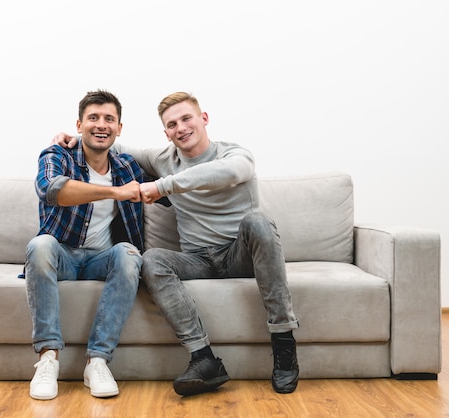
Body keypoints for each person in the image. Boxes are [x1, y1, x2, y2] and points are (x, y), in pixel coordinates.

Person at [52, 91, 300, 397]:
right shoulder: (163, 159)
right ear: (166, 133)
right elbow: (113, 143)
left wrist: (162, 185)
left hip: (240, 255)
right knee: (153, 258)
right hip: (198, 260)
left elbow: (230, 173)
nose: (180, 128)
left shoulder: (234, 154)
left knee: (259, 222)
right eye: (172, 124)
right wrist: (73, 139)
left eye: (186, 119)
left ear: (203, 119)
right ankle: (204, 358)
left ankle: (284, 342)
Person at [25, 89, 144, 401]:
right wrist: (115, 193)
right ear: (79, 125)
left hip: (100, 260)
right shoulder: (57, 155)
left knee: (130, 254)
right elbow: (55, 191)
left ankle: (98, 361)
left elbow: (168, 171)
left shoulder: (127, 166)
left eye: (109, 119)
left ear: (120, 128)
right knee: (40, 246)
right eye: (93, 118)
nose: (100, 124)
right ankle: (48, 361)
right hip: (62, 255)